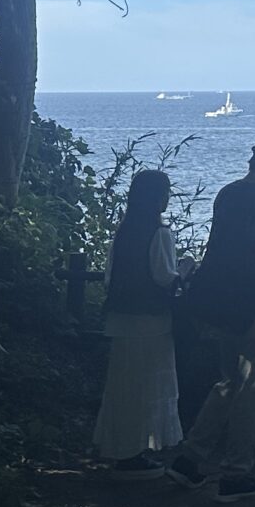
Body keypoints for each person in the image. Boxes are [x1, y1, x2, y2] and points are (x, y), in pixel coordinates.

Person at [167, 130, 255, 501]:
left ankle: (191, 457)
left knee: (229, 381)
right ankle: (236, 471)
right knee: (252, 389)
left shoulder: (227, 193)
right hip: (249, 304)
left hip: (217, 302)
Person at [93, 168, 182, 476]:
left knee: (123, 386)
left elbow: (108, 277)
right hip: (151, 323)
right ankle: (137, 449)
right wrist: (187, 270)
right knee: (147, 386)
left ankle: (120, 446)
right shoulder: (160, 233)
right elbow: (164, 278)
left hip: (122, 321)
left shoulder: (124, 231)